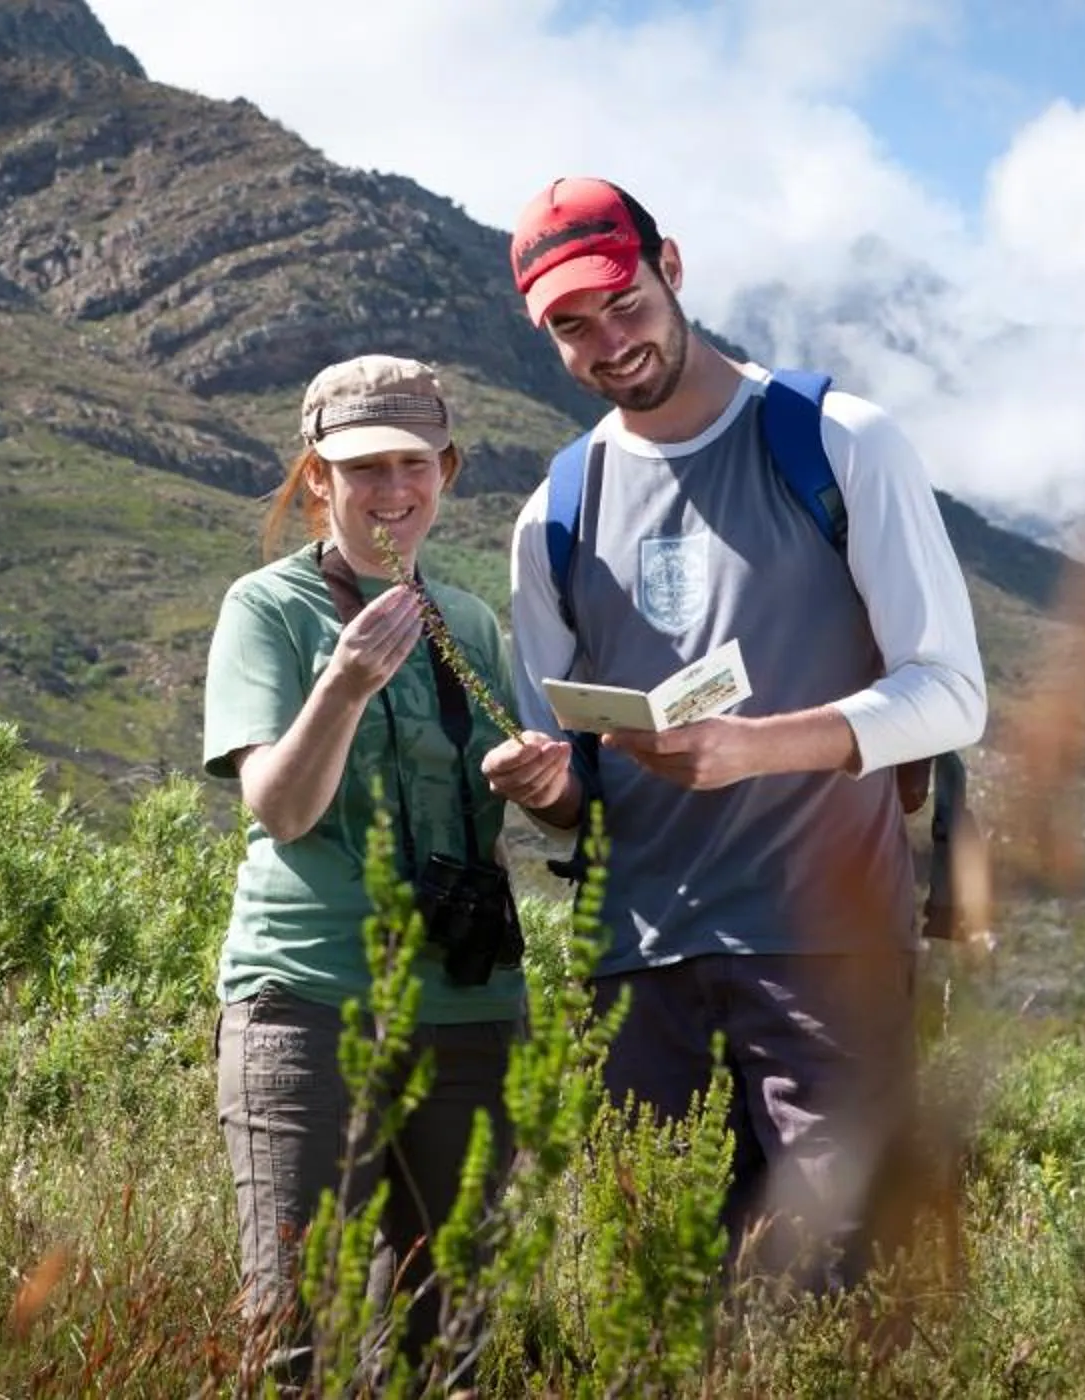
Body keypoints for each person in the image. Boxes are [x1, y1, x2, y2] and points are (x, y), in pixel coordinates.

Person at [479, 177, 989, 1289]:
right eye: (572, 325)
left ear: (670, 263)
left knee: (839, 1296)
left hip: (826, 954)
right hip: (639, 966)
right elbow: (578, 779)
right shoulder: (555, 509)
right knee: (662, 1303)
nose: (609, 342)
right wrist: (545, 783)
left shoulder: (836, 442)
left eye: (623, 301)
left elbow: (952, 693)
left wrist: (759, 746)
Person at [202, 354, 530, 1376]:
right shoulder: (268, 609)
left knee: (453, 1335)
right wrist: (343, 684)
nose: (393, 492)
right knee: (296, 1327)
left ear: (449, 468)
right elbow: (284, 806)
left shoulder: (470, 622)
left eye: (414, 464)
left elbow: (495, 820)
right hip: (307, 998)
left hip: (466, 1008)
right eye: (363, 469)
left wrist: (550, 787)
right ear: (316, 480)